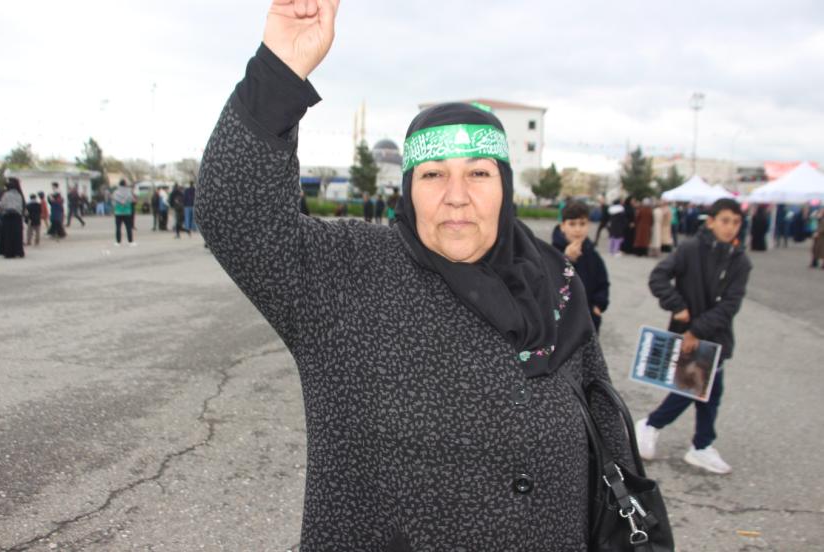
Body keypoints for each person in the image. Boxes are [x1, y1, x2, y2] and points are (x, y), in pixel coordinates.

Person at [195, 3, 635, 548]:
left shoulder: (555, 279)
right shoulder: (347, 272)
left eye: (478, 173)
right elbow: (235, 215)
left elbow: (602, 418)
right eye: (432, 175)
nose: (457, 196)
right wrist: (279, 69)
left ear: (505, 186)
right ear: (408, 188)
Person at [636, 198, 751, 475]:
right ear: (710, 221)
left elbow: (730, 305)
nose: (730, 227)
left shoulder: (740, 261)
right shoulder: (690, 249)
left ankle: (698, 444)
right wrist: (678, 307)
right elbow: (658, 277)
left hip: (715, 335)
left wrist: (696, 330)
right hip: (687, 335)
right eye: (725, 221)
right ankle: (654, 426)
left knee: (707, 390)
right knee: (693, 388)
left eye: (736, 222)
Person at [551, 201, 610, 332]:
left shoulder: (592, 254)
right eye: (572, 224)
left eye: (582, 224)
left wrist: (598, 306)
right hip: (561, 322)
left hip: (588, 320)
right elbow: (549, 284)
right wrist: (567, 260)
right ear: (563, 226)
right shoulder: (552, 253)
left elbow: (603, 282)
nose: (578, 229)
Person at [0, 177, 26, 258]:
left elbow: (2, 205)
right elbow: (22, 206)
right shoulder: (19, 194)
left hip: (7, 216)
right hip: (17, 216)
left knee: (8, 235)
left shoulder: (5, 194)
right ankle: (18, 251)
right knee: (17, 235)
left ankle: (8, 252)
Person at [113, 179, 136, 246]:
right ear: (125, 184)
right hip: (127, 212)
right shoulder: (128, 192)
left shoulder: (116, 192)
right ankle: (130, 241)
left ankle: (118, 242)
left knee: (118, 227)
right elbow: (132, 200)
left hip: (118, 212)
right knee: (128, 227)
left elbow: (114, 202)